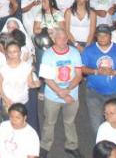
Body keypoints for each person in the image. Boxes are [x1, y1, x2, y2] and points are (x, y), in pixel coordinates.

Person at [39, 28, 83, 158]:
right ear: (53, 39)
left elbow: (79, 75)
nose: (63, 41)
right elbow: (47, 78)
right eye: (60, 38)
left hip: (71, 94)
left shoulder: (74, 53)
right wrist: (61, 92)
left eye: (65, 38)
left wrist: (67, 90)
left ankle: (72, 146)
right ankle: (45, 146)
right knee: (49, 122)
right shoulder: (48, 54)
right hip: (53, 96)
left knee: (70, 121)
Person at [81, 25, 116, 132]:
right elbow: (82, 68)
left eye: (105, 35)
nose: (102, 38)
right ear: (96, 36)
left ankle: (114, 146)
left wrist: (115, 72)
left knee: (114, 123)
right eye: (99, 35)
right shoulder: (89, 50)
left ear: (110, 36)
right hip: (93, 92)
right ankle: (101, 144)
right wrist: (95, 71)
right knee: (97, 124)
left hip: (114, 93)